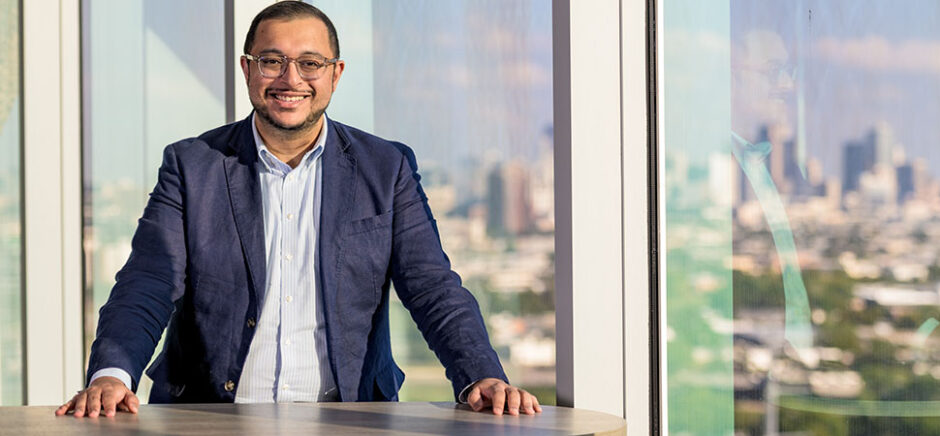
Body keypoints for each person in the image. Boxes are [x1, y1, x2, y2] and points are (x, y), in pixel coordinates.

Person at [56, 1, 540, 418]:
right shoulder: (191, 166)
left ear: (336, 73)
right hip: (210, 418)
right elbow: (148, 282)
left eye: (310, 63)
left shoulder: (385, 167)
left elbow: (433, 287)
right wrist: (112, 374)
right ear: (247, 69)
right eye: (272, 61)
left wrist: (482, 376)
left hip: (347, 419)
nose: (291, 79)